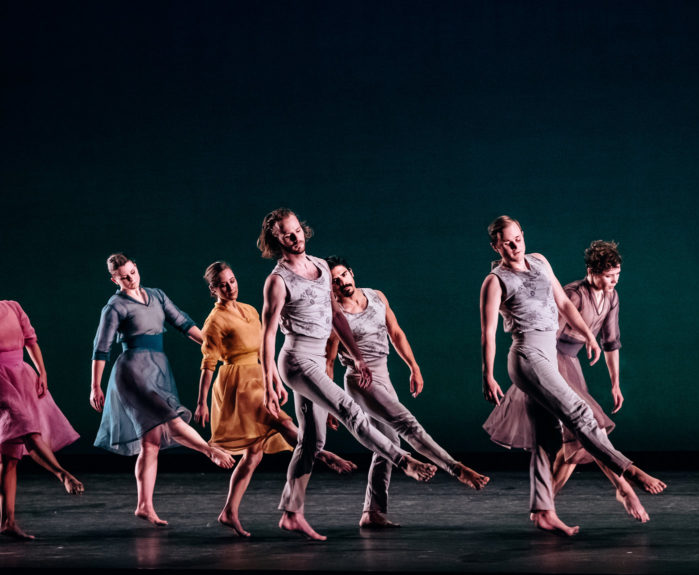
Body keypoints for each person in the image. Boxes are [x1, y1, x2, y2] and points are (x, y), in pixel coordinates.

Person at [480, 216, 666, 536]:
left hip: (549, 357)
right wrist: (488, 375)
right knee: (580, 412)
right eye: (506, 242)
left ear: (524, 236)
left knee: (544, 438)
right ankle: (628, 472)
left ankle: (543, 511)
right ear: (496, 245)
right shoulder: (495, 281)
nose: (514, 246)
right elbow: (488, 332)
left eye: (517, 239)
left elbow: (563, 304)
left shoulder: (539, 261)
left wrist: (589, 336)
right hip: (527, 355)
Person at [258, 209, 437, 541]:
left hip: (314, 356)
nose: (296, 237)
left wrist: (357, 357)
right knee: (350, 409)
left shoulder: (322, 268)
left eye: (298, 230)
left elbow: (336, 317)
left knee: (312, 441)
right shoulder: (278, 280)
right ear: (276, 239)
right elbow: (267, 335)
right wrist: (269, 383)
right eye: (288, 234)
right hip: (296, 359)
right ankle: (402, 460)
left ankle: (291, 512)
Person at [324, 256, 489, 528]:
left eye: (343, 274)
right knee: (406, 424)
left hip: (383, 374)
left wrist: (414, 366)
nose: (342, 281)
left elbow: (396, 332)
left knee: (388, 445)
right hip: (360, 381)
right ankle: (456, 468)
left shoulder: (376, 296)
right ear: (330, 287)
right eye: (335, 280)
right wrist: (331, 405)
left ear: (352, 273)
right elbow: (328, 362)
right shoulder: (336, 317)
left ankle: (372, 512)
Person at [195, 261, 356, 537]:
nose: (230, 287)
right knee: (281, 423)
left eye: (232, 280)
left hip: (258, 376)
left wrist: (273, 381)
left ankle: (229, 511)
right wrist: (201, 402)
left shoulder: (249, 310)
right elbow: (208, 363)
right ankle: (324, 455)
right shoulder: (214, 321)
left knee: (254, 455)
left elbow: (263, 351)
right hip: (238, 385)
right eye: (223, 284)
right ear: (213, 289)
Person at [90, 253, 235, 527]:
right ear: (114, 280)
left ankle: (144, 505)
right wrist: (95, 385)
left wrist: (213, 347)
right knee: (170, 418)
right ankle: (210, 450)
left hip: (157, 369)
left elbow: (183, 323)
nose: (131, 279)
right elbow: (101, 348)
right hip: (131, 372)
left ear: (136, 267)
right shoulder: (115, 306)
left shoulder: (156, 295)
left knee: (151, 443)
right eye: (124, 277)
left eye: (133, 272)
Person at [0, 270, 83, 539]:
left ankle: (7, 522)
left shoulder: (13, 307)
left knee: (10, 458)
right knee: (26, 429)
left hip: (22, 377)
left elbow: (31, 340)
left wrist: (42, 372)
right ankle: (63, 474)